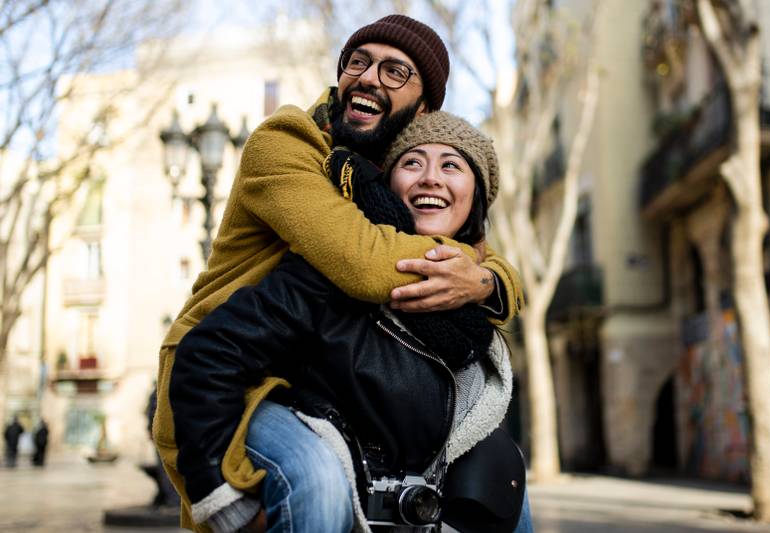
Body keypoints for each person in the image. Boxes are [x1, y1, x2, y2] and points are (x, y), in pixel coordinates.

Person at [152, 14, 525, 531]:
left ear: (422, 109)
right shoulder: (288, 143)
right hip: (230, 370)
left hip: (318, 376)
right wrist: (475, 273)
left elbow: (472, 249)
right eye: (358, 61)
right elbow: (364, 260)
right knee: (315, 476)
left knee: (506, 481)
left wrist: (488, 280)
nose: (370, 77)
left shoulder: (386, 178)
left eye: (396, 71)